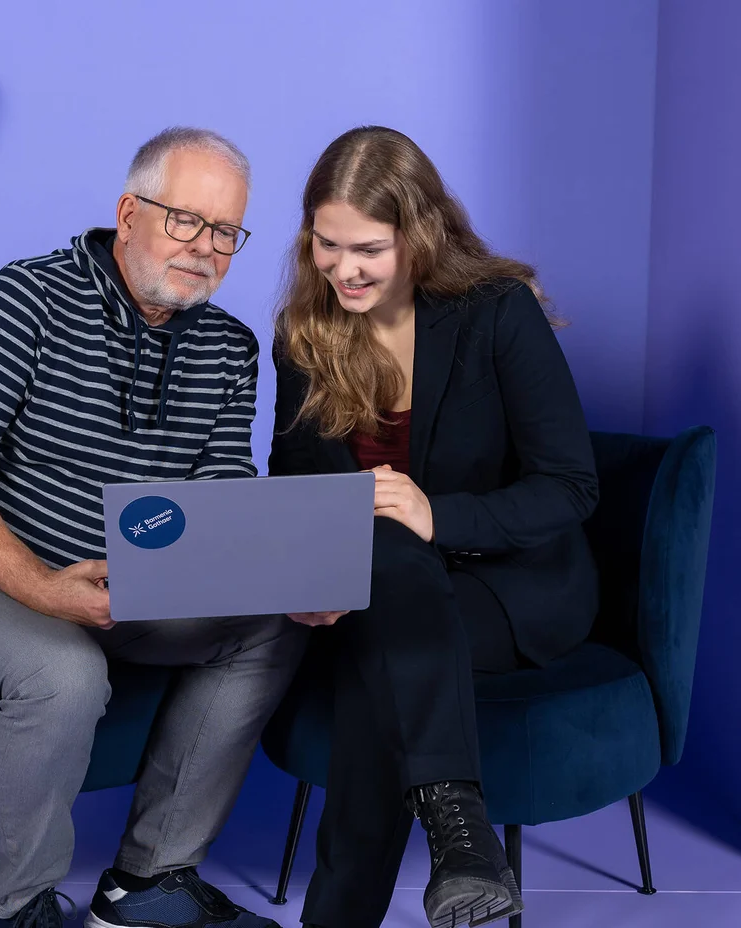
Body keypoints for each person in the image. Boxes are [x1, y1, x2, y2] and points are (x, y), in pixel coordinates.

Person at [0, 127, 305, 928]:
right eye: (185, 220)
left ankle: (149, 882)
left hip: (123, 584)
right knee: (63, 673)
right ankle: (21, 908)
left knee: (274, 626)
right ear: (129, 214)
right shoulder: (24, 299)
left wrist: (280, 575)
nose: (205, 248)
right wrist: (40, 587)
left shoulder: (231, 347)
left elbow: (219, 489)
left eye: (225, 232)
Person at [269, 126, 600, 928]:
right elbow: (299, 490)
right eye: (326, 243)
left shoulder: (496, 312)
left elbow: (570, 485)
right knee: (381, 564)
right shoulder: (304, 335)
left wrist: (435, 513)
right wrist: (309, 578)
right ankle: (462, 845)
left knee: (378, 655)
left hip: (510, 589)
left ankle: (340, 914)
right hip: (371, 588)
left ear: (418, 235)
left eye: (368, 249)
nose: (343, 269)